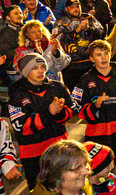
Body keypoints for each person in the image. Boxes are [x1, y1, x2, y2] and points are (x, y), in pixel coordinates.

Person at [7, 53, 75, 187]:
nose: (40, 71)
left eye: (43, 66)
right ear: (26, 71)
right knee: (39, 191)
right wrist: (49, 113)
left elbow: (73, 110)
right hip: (34, 153)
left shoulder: (57, 87)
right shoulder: (17, 93)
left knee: (62, 187)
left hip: (58, 147)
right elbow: (22, 127)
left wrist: (60, 113)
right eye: (35, 68)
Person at [72, 40, 116, 163]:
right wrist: (95, 106)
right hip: (96, 133)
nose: (103, 58)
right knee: (98, 169)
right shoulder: (85, 80)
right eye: (98, 55)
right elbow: (77, 107)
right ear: (91, 59)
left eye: (106, 53)